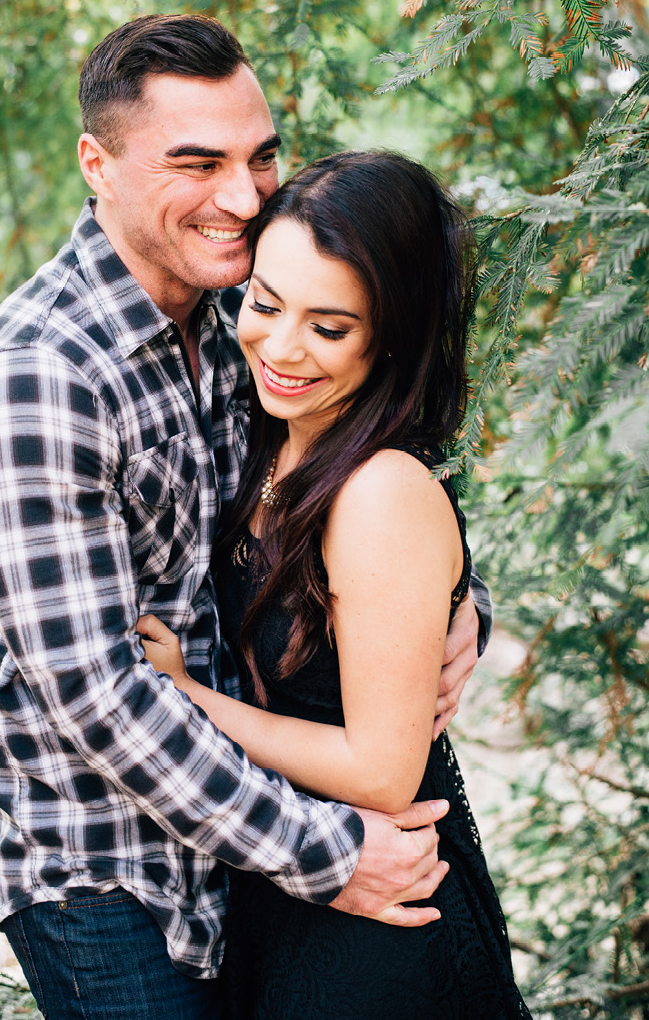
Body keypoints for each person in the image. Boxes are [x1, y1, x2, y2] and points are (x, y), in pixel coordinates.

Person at [0, 15, 490, 1019]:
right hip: (110, 876)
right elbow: (98, 694)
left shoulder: (240, 327)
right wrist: (327, 856)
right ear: (95, 162)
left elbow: (359, 484)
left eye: (260, 156)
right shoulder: (34, 382)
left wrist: (456, 604)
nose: (241, 195)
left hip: (248, 868)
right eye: (197, 162)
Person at [140, 151, 532, 1018]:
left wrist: (185, 698)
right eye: (266, 304)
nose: (280, 348)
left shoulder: (382, 489)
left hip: (382, 919)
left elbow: (386, 770)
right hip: (289, 885)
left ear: (390, 332)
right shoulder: (266, 438)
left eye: (329, 327)